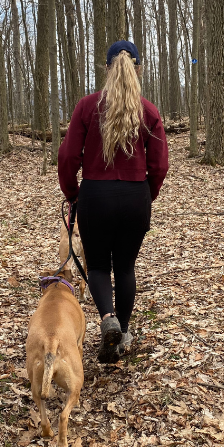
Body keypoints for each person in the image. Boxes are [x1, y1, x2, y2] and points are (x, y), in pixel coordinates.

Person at [57, 40, 169, 364]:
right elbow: (160, 165)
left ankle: (108, 319)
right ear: (138, 69)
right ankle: (123, 330)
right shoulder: (148, 111)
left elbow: (67, 157)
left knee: (98, 267)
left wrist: (73, 194)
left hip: (95, 197)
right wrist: (147, 195)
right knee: (125, 267)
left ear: (107, 69)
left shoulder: (87, 107)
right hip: (135, 198)